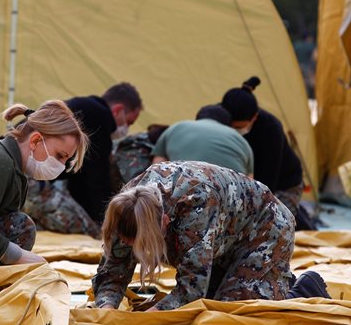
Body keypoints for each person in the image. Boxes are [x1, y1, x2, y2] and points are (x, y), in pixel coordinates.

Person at [92, 161, 330, 311]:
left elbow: (191, 290)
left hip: (264, 228)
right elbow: (112, 273)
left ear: (163, 223)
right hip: (224, 233)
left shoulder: (196, 205)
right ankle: (268, 283)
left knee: (234, 314)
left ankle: (300, 289)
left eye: (138, 243)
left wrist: (149, 319)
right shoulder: (127, 208)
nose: (126, 245)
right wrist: (107, 308)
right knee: (211, 304)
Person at [0, 100, 89, 271]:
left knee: (21, 226)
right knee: (22, 226)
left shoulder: (13, 168)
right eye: (60, 155)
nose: (61, 166)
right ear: (35, 141)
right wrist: (14, 255)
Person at [221, 76, 314, 229]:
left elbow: (267, 185)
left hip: (282, 183)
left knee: (275, 225)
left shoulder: (271, 129)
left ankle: (300, 219)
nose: (236, 132)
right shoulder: (217, 116)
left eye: (239, 127)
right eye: (232, 127)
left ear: (254, 117)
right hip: (244, 181)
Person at [64, 82, 143, 225]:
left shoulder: (83, 106)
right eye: (129, 122)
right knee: (88, 228)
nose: (127, 129)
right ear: (118, 110)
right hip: (35, 184)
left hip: (25, 175)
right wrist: (105, 219)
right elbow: (96, 176)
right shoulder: (100, 117)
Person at [152, 105, 254, 176]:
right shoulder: (242, 141)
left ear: (198, 119)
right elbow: (250, 183)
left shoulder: (177, 127)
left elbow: (157, 168)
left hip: (183, 191)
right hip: (228, 198)